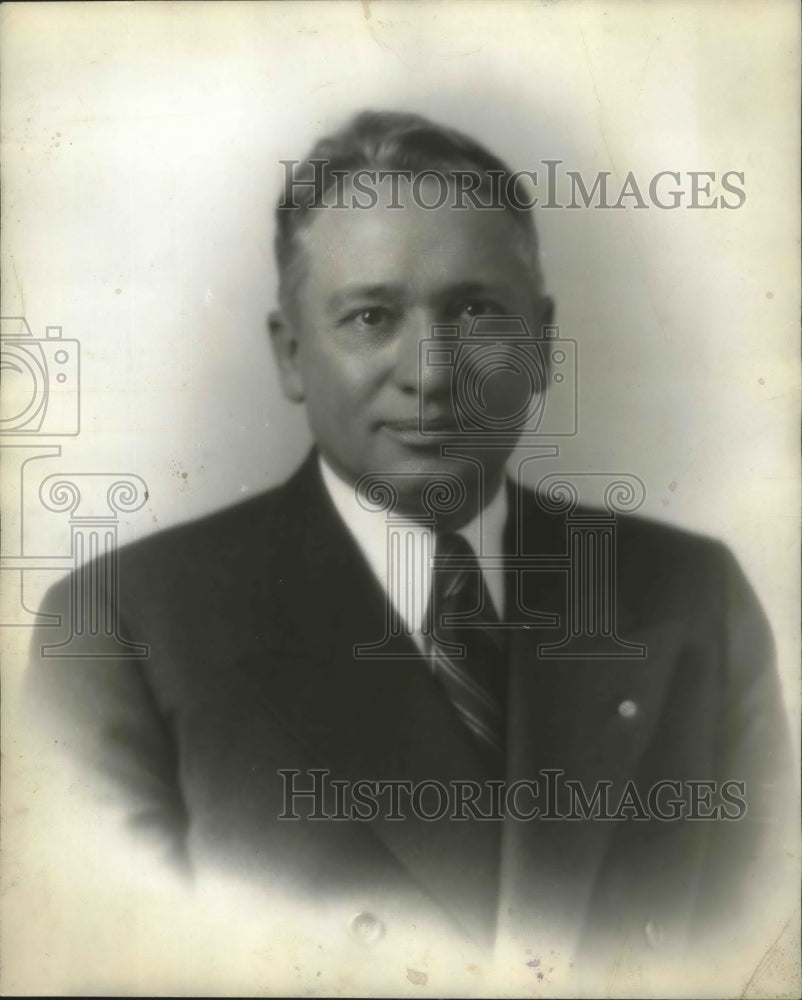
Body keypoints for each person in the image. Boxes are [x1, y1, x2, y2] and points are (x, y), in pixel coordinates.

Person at [24, 110, 793, 981]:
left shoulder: (692, 599)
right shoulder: (121, 630)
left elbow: (757, 953)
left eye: (474, 311)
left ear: (540, 347)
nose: (430, 372)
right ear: (289, 356)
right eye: (369, 317)